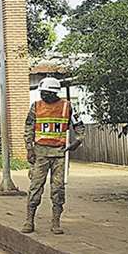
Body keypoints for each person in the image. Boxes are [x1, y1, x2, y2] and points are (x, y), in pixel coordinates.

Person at [21, 77, 84, 235]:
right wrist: (29, 148)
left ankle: (56, 222)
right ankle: (29, 220)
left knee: (58, 189)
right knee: (35, 187)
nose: (43, 95)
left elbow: (79, 126)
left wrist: (79, 139)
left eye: (46, 93)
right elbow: (28, 128)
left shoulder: (67, 106)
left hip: (59, 154)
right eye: (42, 92)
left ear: (54, 93)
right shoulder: (36, 106)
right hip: (40, 153)